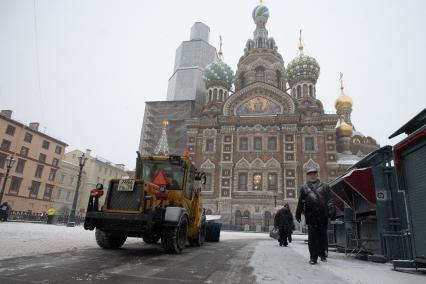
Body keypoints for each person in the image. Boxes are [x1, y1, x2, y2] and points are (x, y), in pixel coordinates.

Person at [296, 168, 335, 264]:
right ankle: (313, 257)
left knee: (322, 236)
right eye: (310, 174)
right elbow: (301, 202)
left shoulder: (325, 186)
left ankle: (322, 254)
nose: (312, 176)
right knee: (312, 237)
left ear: (317, 175)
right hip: (311, 215)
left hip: (322, 215)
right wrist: (298, 213)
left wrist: (331, 209)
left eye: (314, 174)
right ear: (308, 176)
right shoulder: (304, 188)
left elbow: (330, 199)